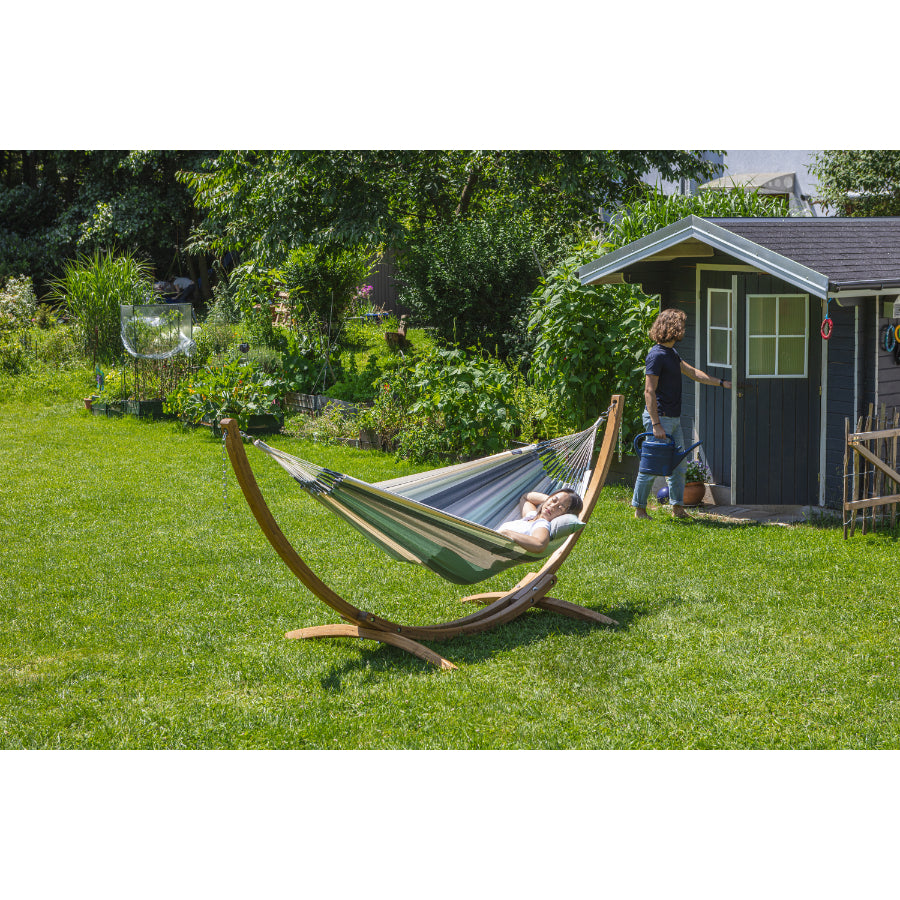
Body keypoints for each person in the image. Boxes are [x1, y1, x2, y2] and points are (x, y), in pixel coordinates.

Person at [633, 308, 731, 521]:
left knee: (678, 465)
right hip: (659, 419)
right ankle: (639, 510)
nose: (684, 329)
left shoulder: (671, 353)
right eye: (682, 325)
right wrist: (656, 424)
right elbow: (649, 391)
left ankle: (677, 507)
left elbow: (693, 373)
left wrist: (722, 383)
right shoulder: (656, 355)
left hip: (673, 419)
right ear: (673, 328)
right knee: (651, 466)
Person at [498, 489, 583, 553]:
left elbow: (539, 545)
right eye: (554, 500)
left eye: (560, 508)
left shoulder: (542, 524)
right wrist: (548, 499)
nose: (553, 506)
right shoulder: (533, 516)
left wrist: (506, 533)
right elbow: (526, 497)